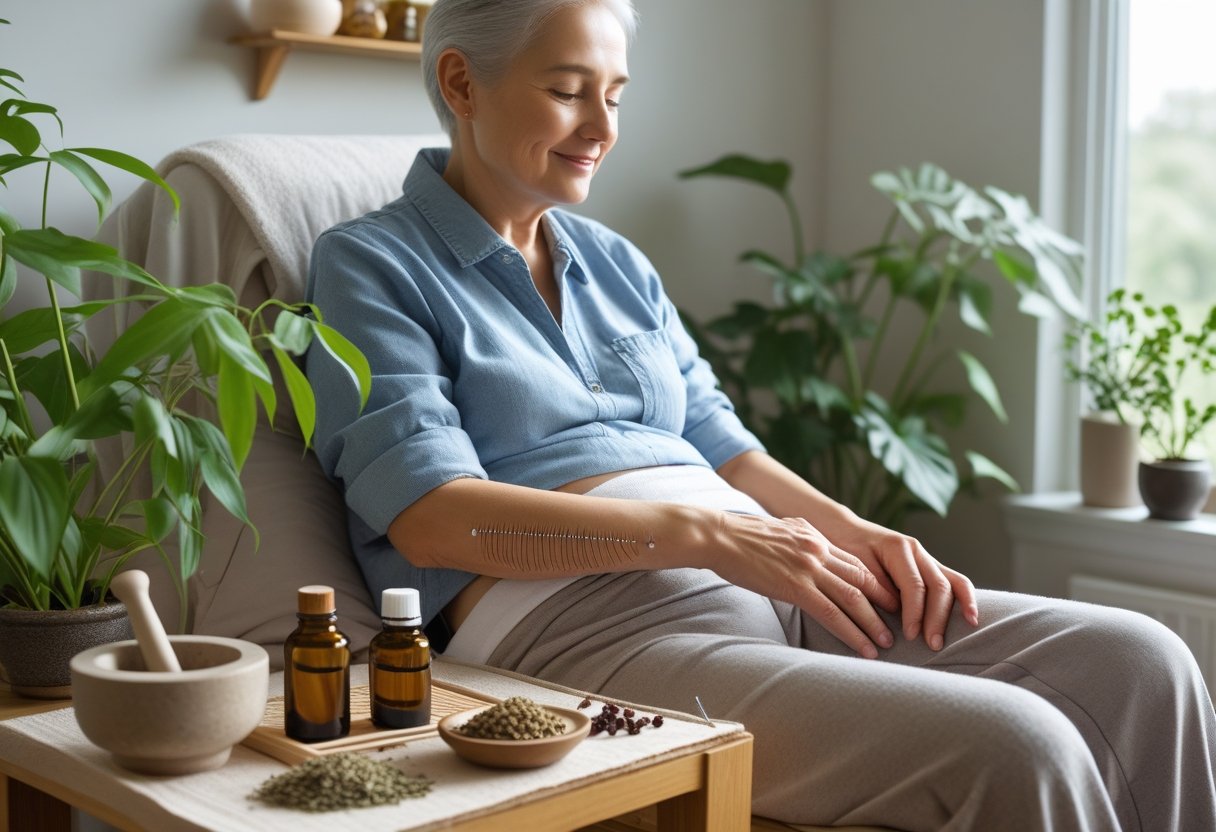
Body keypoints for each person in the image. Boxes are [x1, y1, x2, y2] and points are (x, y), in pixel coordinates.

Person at [304, 0, 1216, 828]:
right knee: (1023, 744)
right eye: (568, 91)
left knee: (1144, 664)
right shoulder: (372, 264)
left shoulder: (616, 263)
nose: (602, 129)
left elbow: (726, 450)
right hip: (580, 632)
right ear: (462, 81)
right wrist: (701, 538)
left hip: (769, 579)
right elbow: (432, 517)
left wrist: (856, 533)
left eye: (616, 96)